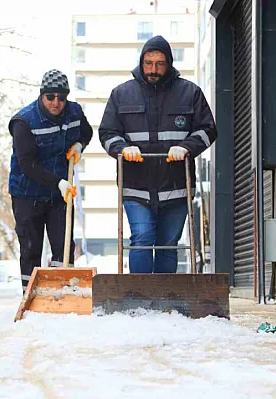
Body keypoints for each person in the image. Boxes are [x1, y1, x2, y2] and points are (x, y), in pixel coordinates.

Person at [98, 35, 217, 274]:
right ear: (141, 62)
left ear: (169, 63)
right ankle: (139, 300)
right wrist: (123, 148)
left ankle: (165, 301)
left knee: (167, 245)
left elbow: (208, 129)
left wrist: (187, 147)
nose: (153, 69)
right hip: (136, 186)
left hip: (176, 185)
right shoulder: (121, 94)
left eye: (159, 63)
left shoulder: (190, 93)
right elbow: (107, 133)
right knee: (142, 237)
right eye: (148, 63)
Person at [8, 69, 93, 291]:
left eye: (61, 98)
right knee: (30, 248)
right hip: (27, 193)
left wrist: (79, 145)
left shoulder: (74, 112)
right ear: (42, 95)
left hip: (59, 196)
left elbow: (86, 132)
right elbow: (27, 164)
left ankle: (61, 293)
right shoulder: (23, 121)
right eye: (50, 97)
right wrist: (58, 182)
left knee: (63, 245)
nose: (56, 103)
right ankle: (31, 295)